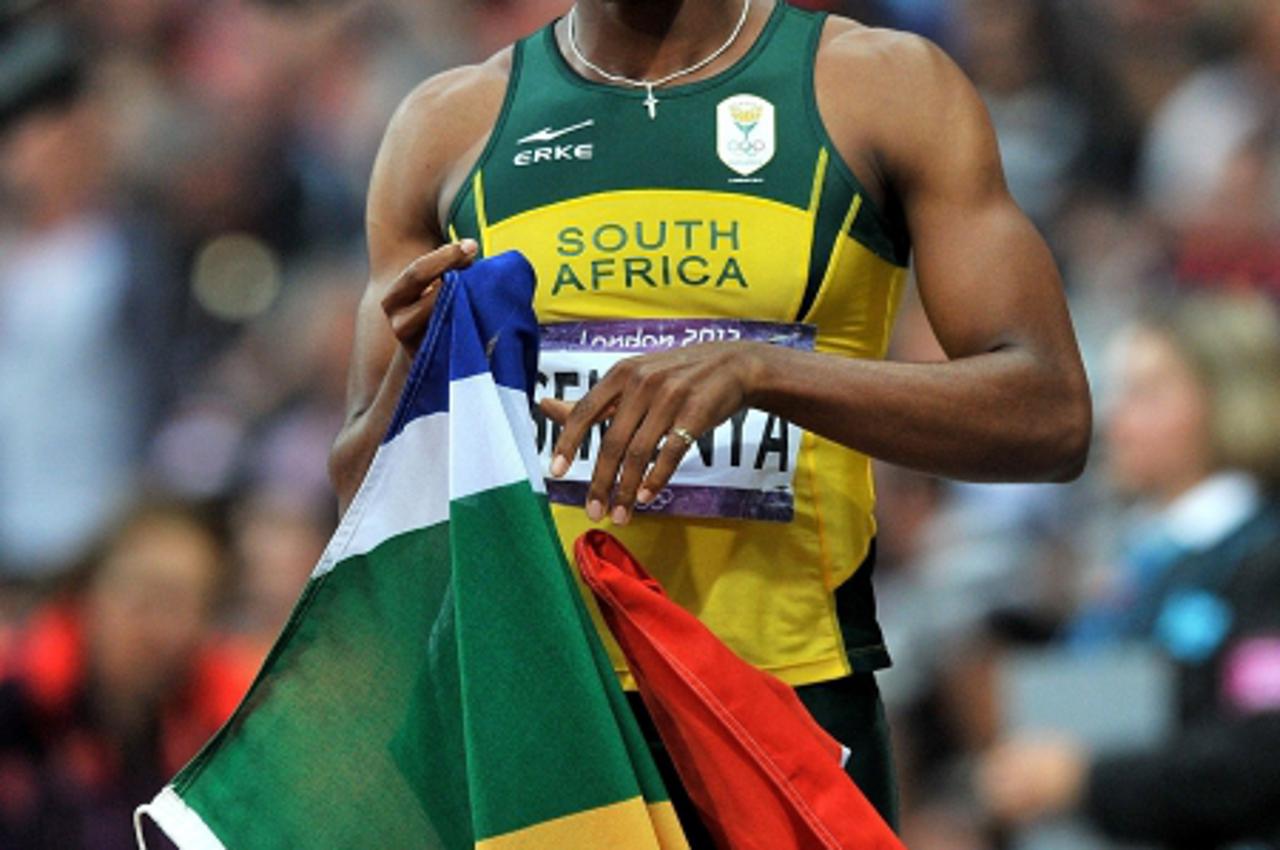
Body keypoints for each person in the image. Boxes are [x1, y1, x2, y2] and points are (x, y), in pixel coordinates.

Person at [328, 0, 1091, 839]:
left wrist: (760, 372)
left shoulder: (880, 87)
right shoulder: (450, 123)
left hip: (787, 700)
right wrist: (421, 362)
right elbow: (360, 496)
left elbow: (1048, 414)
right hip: (542, 721)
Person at [979, 294, 1280, 848]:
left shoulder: (1265, 560)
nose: (1115, 419)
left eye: (1146, 394)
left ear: (1229, 402)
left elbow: (1265, 749)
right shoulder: (1141, 555)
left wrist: (1086, 781)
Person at [0, 499, 256, 850]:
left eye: (181, 602)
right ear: (88, 589)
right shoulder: (15, 703)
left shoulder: (230, 736)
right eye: (141, 592)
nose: (156, 625)